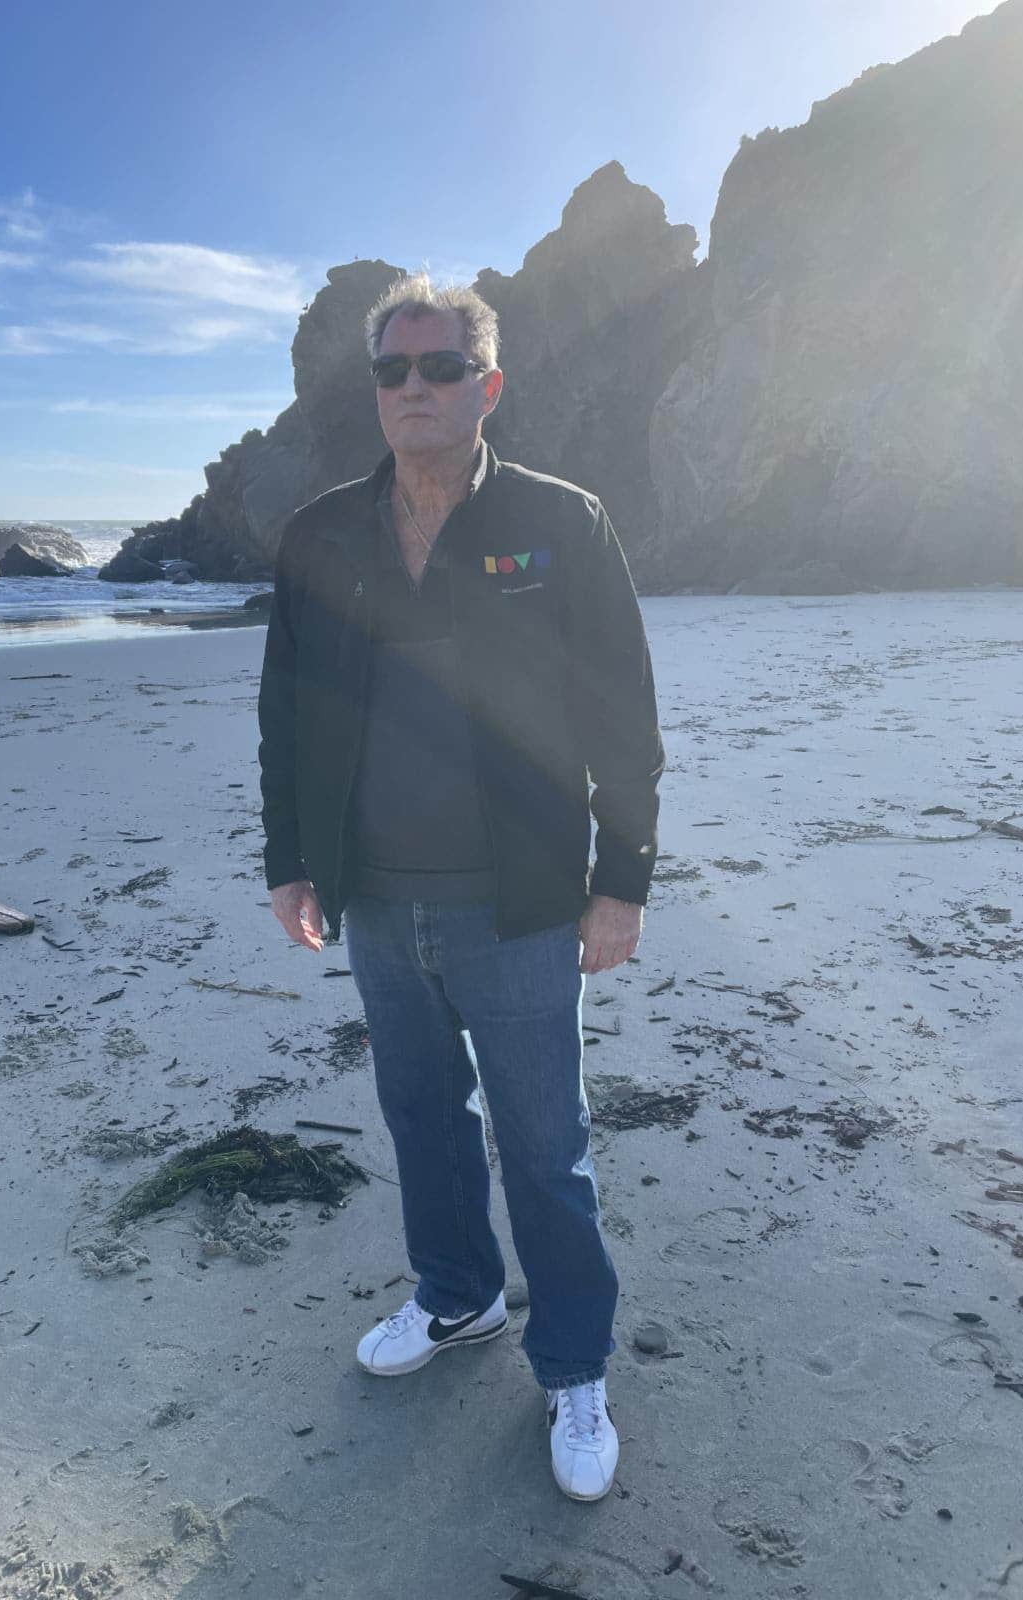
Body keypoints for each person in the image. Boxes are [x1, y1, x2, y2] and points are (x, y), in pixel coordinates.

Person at [258, 275, 664, 1502]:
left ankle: (574, 1364)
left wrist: (621, 883)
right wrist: (291, 859)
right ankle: (458, 1296)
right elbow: (287, 713)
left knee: (546, 1146)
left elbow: (622, 716)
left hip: (521, 898)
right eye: (393, 370)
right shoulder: (324, 533)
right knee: (421, 1117)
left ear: (487, 387)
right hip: (378, 898)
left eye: (440, 369)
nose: (414, 389)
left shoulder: (559, 520)